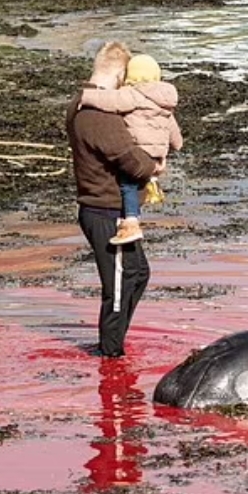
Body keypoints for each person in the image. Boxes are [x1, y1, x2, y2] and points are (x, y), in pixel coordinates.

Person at [66, 41, 162, 359]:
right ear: (120, 74)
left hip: (104, 208)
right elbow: (131, 161)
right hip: (104, 211)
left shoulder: (81, 104)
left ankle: (113, 342)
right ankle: (110, 355)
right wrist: (155, 165)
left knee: (138, 273)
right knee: (118, 288)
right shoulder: (99, 117)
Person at [78, 53, 183, 245]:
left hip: (140, 151)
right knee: (140, 183)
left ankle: (131, 221)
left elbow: (110, 101)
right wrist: (171, 148)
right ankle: (152, 184)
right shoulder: (165, 102)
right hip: (157, 154)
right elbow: (174, 134)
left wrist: (86, 96)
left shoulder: (134, 94)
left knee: (128, 186)